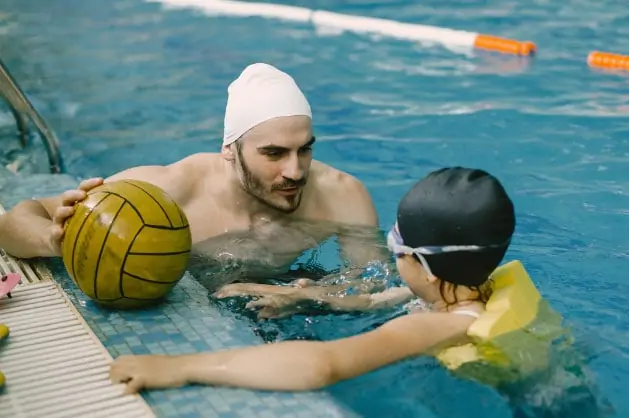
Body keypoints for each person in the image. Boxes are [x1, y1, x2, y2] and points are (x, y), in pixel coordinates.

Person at [109, 166, 517, 393]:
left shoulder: (437, 324)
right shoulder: (478, 287)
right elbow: (379, 299)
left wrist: (181, 367)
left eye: (395, 244)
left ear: (418, 261)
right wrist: (294, 296)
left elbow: (322, 365)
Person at [0, 63, 387, 288]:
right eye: (274, 154)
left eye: (305, 149)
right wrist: (56, 241)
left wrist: (311, 298)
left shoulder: (342, 194)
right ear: (229, 150)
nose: (295, 170)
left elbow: (373, 284)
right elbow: (16, 219)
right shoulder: (167, 191)